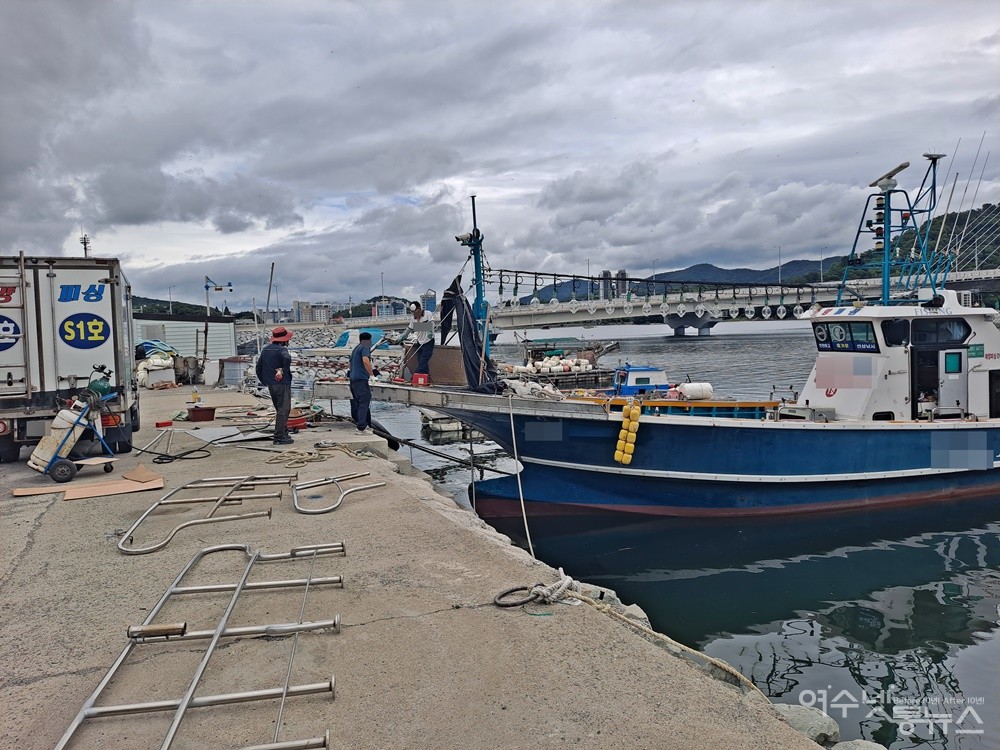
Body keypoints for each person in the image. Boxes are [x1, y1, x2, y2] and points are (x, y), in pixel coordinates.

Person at [255, 326, 294, 445]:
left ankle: (284, 432)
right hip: (282, 383)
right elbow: (287, 358)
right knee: (284, 409)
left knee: (279, 408)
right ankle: (279, 436)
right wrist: (283, 370)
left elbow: (258, 367)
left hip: (271, 384)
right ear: (284, 340)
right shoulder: (282, 350)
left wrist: (264, 380)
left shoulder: (266, 350)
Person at [349, 331, 378, 432]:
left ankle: (367, 425)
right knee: (364, 402)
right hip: (361, 380)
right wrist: (371, 375)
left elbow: (350, 364)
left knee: (360, 403)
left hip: (353, 381)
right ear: (367, 340)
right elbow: (365, 361)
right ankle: (361, 428)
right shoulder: (365, 347)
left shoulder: (356, 348)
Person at [403, 301, 435, 379]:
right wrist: (402, 337)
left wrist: (428, 330)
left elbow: (432, 325)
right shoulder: (413, 318)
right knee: (422, 362)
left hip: (428, 342)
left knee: (422, 361)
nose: (414, 314)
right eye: (413, 312)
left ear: (420, 309)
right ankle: (426, 378)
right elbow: (409, 329)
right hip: (419, 342)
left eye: (416, 312)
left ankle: (414, 377)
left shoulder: (428, 314)